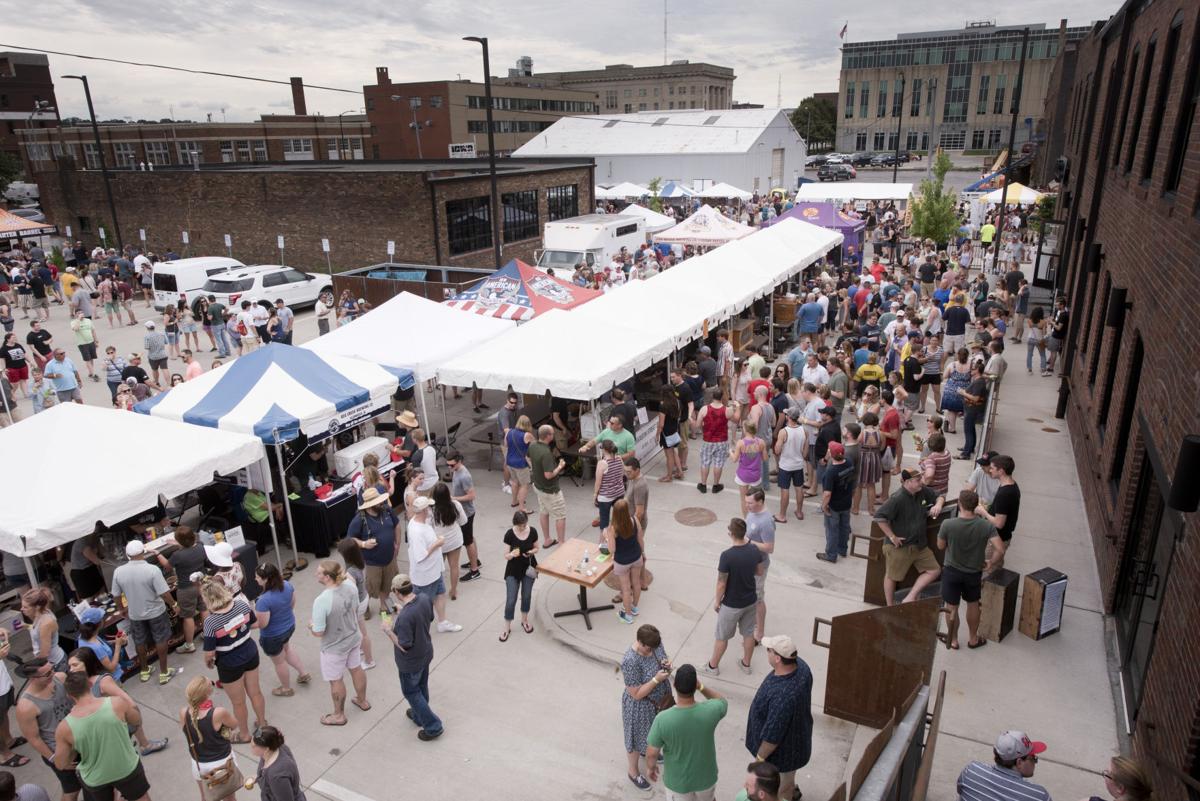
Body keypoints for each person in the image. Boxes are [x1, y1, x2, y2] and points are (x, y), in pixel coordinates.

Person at [52, 671, 151, 801]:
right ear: (90, 684)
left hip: (95, 779)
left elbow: (60, 763)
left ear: (69, 695)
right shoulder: (117, 703)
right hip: (126, 767)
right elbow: (136, 721)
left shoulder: (64, 727)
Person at [645, 664, 728, 801]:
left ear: (675, 686)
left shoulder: (662, 719)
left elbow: (652, 753)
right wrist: (701, 687)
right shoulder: (711, 710)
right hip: (706, 778)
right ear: (694, 685)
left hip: (677, 783)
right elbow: (721, 701)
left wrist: (651, 767)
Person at [745, 635, 813, 801]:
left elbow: (772, 738)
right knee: (787, 780)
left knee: (781, 790)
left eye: (769, 650)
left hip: (782, 756)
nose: (766, 652)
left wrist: (759, 760)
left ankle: (788, 794)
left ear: (777, 658)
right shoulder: (802, 667)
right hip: (796, 739)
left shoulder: (783, 697)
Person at [199, 578, 267, 742]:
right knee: (255, 692)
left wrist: (209, 662)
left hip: (229, 663)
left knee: (238, 702)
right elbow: (253, 623)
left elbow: (209, 652)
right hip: (250, 652)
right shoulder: (242, 605)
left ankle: (244, 735)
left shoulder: (210, 622)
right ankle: (263, 724)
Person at [936, 490, 1005, 650]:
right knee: (973, 604)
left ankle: (952, 640)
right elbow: (1000, 549)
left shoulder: (948, 524)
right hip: (973, 573)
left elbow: (940, 546)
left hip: (951, 571)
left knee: (951, 606)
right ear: (976, 506)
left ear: (960, 504)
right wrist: (990, 562)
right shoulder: (986, 525)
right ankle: (973, 639)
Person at [381, 573, 442, 741]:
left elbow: (404, 645)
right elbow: (427, 618)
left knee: (411, 692)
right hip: (426, 652)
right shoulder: (423, 598)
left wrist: (388, 631)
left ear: (396, 592)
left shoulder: (405, 618)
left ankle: (433, 726)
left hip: (411, 662)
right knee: (421, 686)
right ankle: (418, 715)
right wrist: (403, 610)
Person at [111, 540, 180, 684]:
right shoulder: (152, 570)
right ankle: (164, 672)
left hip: (135, 613)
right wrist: (173, 604)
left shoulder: (119, 571)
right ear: (143, 552)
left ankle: (144, 670)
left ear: (128, 555)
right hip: (156, 611)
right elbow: (164, 592)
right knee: (161, 639)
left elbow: (116, 594)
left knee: (139, 641)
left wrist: (121, 609)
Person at [309, 560, 369, 727]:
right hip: (353, 637)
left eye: (319, 572)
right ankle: (362, 701)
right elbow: (356, 609)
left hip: (334, 647)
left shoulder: (321, 601)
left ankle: (338, 715)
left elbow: (319, 632)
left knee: (336, 680)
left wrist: (311, 626)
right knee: (356, 669)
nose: (316, 574)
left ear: (327, 577)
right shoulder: (351, 586)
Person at [873, 469, 945, 606]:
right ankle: (889, 606)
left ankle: (910, 597)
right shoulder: (897, 498)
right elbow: (879, 517)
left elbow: (939, 495)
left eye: (920, 479)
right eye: (917, 480)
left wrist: (938, 505)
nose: (921, 482)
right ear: (907, 482)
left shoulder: (922, 491)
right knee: (892, 576)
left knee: (934, 570)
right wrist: (892, 536)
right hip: (900, 546)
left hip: (919, 545)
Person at [706, 518, 764, 676]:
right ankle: (746, 664)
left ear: (730, 534)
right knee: (748, 633)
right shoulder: (754, 550)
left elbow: (721, 583)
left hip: (732, 604)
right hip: (750, 600)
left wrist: (717, 601)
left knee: (722, 637)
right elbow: (759, 571)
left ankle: (712, 667)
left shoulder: (727, 556)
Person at [14, 659, 77, 801]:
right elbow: (34, 739)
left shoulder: (60, 678)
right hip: (60, 750)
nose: (53, 674)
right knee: (72, 790)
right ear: (33, 678)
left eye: (52, 669)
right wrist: (55, 759)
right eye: (47, 673)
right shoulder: (25, 706)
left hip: (80, 738)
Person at [620, 624, 671, 791]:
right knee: (635, 740)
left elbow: (663, 656)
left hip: (658, 702)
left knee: (653, 732)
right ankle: (633, 772)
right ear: (640, 642)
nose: (651, 652)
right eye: (648, 649)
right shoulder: (630, 660)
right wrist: (656, 679)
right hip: (640, 707)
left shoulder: (655, 644)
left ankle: (647, 751)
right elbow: (636, 694)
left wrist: (666, 665)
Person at [405, 497, 461, 633]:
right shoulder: (416, 531)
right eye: (429, 508)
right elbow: (420, 556)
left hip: (435, 571)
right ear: (424, 510)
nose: (431, 510)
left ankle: (442, 622)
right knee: (422, 606)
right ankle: (417, 630)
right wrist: (437, 544)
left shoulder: (420, 522)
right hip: (425, 577)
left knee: (440, 594)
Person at [179, 676, 240, 801]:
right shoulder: (218, 713)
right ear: (208, 693)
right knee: (230, 798)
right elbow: (234, 725)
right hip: (222, 763)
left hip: (199, 764)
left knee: (206, 797)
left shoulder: (183, 713)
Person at [253, 563, 309, 697]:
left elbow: (262, 624)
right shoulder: (287, 585)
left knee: (279, 662)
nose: (255, 579)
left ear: (265, 579)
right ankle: (303, 673)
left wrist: (247, 623)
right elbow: (292, 603)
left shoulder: (263, 601)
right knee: (287, 650)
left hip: (273, 636)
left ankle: (286, 688)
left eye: (257, 577)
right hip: (289, 627)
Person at [346, 487, 400, 619]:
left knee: (387, 585)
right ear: (370, 505)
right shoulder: (359, 519)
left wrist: (397, 544)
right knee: (370, 588)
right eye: (378, 502)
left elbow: (396, 525)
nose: (382, 504)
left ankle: (383, 606)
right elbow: (350, 539)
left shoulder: (387, 510)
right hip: (372, 562)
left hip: (390, 558)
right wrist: (364, 544)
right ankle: (364, 607)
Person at [957, 730, 1050, 801]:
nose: (1035, 762)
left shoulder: (971, 771)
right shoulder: (1039, 796)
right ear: (1019, 762)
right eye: (1033, 758)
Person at [974, 455, 1020, 574]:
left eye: (992, 468)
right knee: (995, 570)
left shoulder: (1004, 494)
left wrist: (982, 511)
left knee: (988, 573)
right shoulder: (1012, 485)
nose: (989, 470)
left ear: (1001, 471)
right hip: (1001, 537)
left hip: (996, 539)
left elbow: (999, 523)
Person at [500, 511, 539, 641]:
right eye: (520, 525)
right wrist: (512, 554)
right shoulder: (510, 534)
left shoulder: (532, 531)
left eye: (524, 524)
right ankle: (507, 627)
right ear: (515, 524)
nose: (522, 527)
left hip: (528, 568)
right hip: (513, 569)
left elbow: (537, 548)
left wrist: (530, 552)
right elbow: (506, 555)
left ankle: (524, 620)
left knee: (526, 595)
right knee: (511, 598)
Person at [526, 425, 567, 549]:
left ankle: (547, 539)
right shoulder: (546, 453)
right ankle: (561, 543)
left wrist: (534, 468)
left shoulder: (532, 445)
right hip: (551, 490)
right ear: (548, 436)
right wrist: (560, 466)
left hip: (538, 487)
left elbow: (527, 457)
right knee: (560, 515)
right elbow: (549, 475)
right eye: (552, 434)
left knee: (544, 512)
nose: (553, 435)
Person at [743, 490, 776, 641]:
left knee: (758, 599)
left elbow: (769, 548)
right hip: (748, 561)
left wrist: (748, 542)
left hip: (759, 565)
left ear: (760, 501)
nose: (747, 505)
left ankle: (760, 632)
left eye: (750, 503)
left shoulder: (766, 522)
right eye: (746, 502)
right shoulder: (751, 513)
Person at [605, 500, 645, 625]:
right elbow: (640, 540)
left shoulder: (613, 528)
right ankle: (634, 607)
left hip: (622, 562)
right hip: (636, 557)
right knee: (636, 583)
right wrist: (642, 553)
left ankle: (627, 615)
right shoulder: (634, 520)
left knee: (626, 589)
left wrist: (607, 537)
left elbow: (612, 550)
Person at [819, 442, 857, 563]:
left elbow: (827, 494)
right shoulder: (849, 463)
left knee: (832, 530)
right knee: (844, 527)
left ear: (830, 454)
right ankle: (842, 549)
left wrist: (824, 507)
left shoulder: (831, 472)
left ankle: (831, 554)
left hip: (834, 506)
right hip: (846, 502)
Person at [447, 451, 481, 582]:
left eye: (452, 465)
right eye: (448, 465)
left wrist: (453, 498)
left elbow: (472, 496)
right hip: (463, 511)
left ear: (459, 461)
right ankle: (475, 561)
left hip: (466, 513)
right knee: (470, 538)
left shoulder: (464, 476)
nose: (450, 468)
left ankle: (474, 570)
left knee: (468, 542)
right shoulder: (456, 470)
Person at [429, 483, 467, 602]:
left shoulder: (431, 510)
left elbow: (428, 527)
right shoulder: (456, 505)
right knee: (454, 567)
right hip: (455, 541)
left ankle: (438, 591)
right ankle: (454, 590)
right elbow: (463, 521)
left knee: (438, 569)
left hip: (439, 543)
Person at [696, 389, 738, 494]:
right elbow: (736, 420)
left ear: (712, 396)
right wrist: (736, 408)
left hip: (708, 440)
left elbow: (697, 425)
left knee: (705, 463)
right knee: (718, 464)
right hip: (722, 440)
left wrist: (703, 429)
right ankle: (716, 485)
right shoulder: (727, 410)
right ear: (722, 397)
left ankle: (703, 485)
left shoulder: (704, 409)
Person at [248, 726, 305, 801]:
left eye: (253, 746)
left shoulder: (276, 776)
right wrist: (258, 777)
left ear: (266, 749)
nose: (250, 747)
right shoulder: (276, 749)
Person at [20, 589, 66, 673]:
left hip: (54, 663)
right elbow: (38, 630)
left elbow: (45, 653)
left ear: (37, 607)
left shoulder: (45, 623)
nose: (21, 609)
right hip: (49, 662)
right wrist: (27, 626)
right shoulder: (40, 613)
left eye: (25, 607)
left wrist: (33, 667)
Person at [732, 421, 767, 516]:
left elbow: (734, 459)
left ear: (745, 429)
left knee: (744, 500)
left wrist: (731, 452)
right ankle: (755, 516)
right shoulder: (761, 442)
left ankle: (746, 520)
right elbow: (765, 459)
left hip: (743, 475)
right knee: (756, 499)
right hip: (755, 475)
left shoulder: (741, 443)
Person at [956, 360, 989, 459]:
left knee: (968, 431)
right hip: (971, 409)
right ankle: (969, 448)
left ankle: (966, 453)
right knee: (971, 430)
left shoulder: (979, 382)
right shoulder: (978, 380)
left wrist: (963, 393)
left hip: (972, 409)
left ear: (978, 370)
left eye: (973, 369)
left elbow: (975, 398)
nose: (971, 370)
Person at [68, 311, 100, 383]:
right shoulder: (74, 322)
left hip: (91, 342)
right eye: (79, 313)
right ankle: (94, 374)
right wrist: (79, 320)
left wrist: (96, 340)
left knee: (92, 358)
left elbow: (93, 331)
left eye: (82, 313)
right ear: (76, 315)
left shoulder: (88, 321)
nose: (81, 314)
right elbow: (75, 329)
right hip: (82, 344)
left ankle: (90, 372)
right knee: (87, 359)